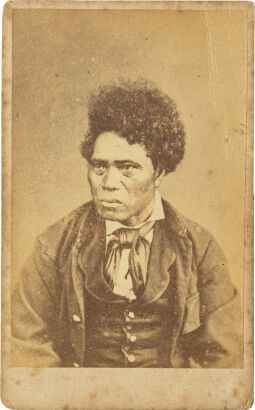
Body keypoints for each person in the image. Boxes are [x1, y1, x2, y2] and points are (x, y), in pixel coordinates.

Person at [12, 79, 242, 368]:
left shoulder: (200, 249)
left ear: (159, 172)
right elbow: (24, 343)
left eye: (127, 168)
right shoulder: (53, 245)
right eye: (99, 167)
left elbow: (226, 356)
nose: (108, 184)